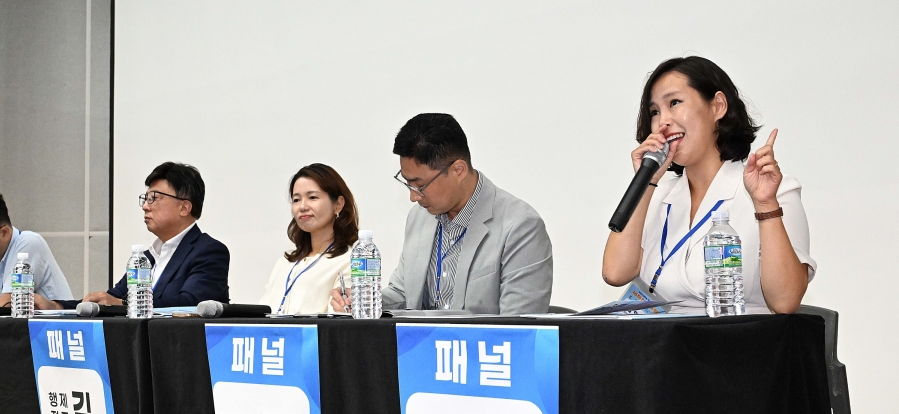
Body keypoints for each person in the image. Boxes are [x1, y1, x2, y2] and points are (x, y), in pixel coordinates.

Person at [601, 56, 814, 314]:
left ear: (718, 106)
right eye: (655, 112)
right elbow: (615, 273)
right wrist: (646, 182)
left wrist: (765, 204)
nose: (662, 121)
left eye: (674, 103)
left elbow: (785, 302)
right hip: (664, 336)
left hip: (738, 336)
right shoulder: (658, 195)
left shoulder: (775, 192)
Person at [332, 113, 553, 315]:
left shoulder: (520, 226)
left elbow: (519, 326)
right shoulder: (418, 218)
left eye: (420, 185)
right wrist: (364, 300)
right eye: (407, 184)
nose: (413, 197)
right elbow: (403, 294)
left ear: (458, 170)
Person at [65, 162, 229, 308]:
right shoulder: (146, 258)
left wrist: (123, 304)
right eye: (145, 198)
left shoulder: (209, 251)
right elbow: (111, 299)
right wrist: (58, 306)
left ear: (184, 208)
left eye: (154, 198)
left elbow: (191, 304)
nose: (145, 206)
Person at [259, 164, 359, 314]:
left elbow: (339, 318)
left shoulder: (349, 261)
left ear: (338, 205)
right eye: (296, 200)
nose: (302, 206)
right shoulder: (283, 263)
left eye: (312, 197)